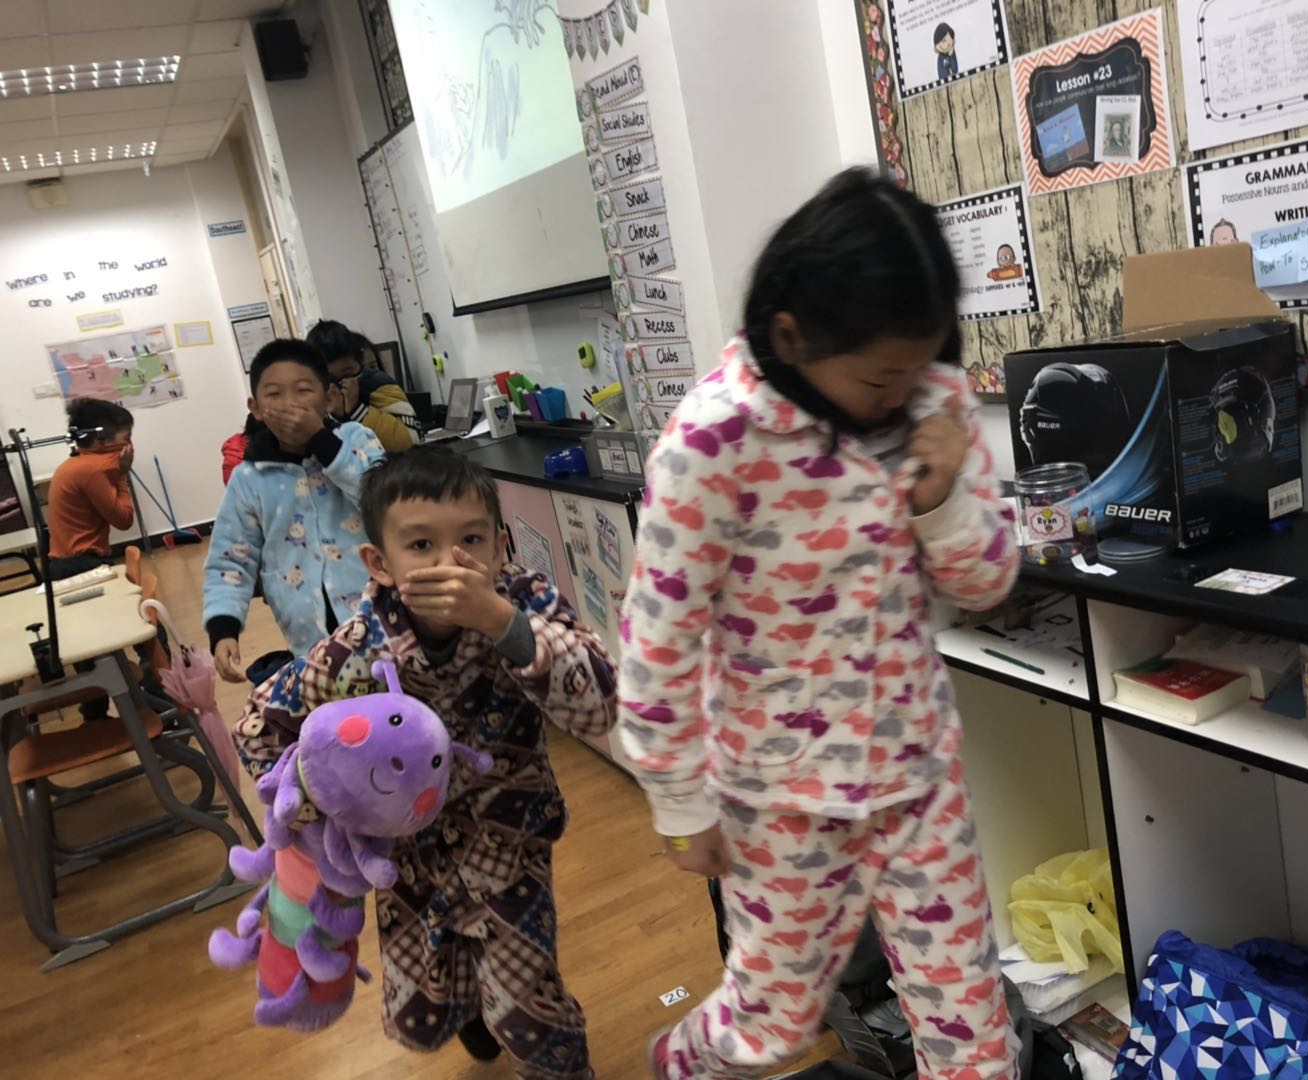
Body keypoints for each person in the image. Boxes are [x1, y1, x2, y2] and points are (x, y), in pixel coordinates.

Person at [622, 169, 1022, 1079]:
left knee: (973, 1037)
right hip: (780, 799)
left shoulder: (934, 404)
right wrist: (679, 800)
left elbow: (987, 582)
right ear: (791, 336)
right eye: (880, 378)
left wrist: (943, 498)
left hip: (917, 775)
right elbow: (657, 639)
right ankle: (681, 1061)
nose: (902, 395)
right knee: (771, 1029)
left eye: (918, 369)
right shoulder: (712, 442)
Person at [234, 444, 616, 1077]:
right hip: (405, 864)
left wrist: (505, 624)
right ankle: (472, 1013)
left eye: (471, 540)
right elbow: (260, 726)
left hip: (508, 849)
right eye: (421, 546)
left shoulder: (525, 602)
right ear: (379, 564)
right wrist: (312, 809)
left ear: (500, 547)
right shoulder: (357, 650)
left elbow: (601, 704)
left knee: (529, 1012)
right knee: (420, 1011)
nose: (450, 563)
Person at [203, 339, 384, 685]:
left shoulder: (356, 440)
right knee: (337, 709)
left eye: (303, 391)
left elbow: (384, 500)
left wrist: (321, 441)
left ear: (328, 399)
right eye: (274, 394)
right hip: (308, 635)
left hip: (382, 618)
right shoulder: (249, 478)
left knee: (396, 700)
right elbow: (231, 558)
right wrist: (223, 627)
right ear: (256, 409)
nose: (290, 404)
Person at [46, 398, 143, 721]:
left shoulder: (72, 465)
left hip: (62, 564)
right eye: (126, 438)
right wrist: (122, 476)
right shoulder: (94, 470)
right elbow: (123, 519)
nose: (129, 447)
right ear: (100, 439)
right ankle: (158, 698)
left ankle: (96, 715)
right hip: (81, 565)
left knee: (88, 647)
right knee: (141, 629)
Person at [307, 319, 423, 452]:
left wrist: (357, 411)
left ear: (359, 363)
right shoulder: (315, 398)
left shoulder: (377, 385)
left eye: (347, 374)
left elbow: (411, 440)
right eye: (330, 379)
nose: (339, 385)